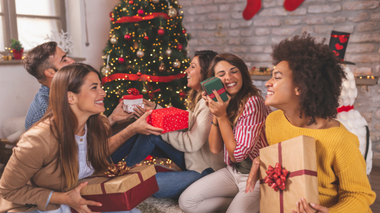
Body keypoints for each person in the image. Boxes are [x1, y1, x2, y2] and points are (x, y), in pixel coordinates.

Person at [245, 33, 376, 213]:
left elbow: (360, 196)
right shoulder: (273, 121)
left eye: (276, 77)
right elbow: (286, 162)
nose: (268, 83)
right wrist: (262, 163)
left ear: (300, 86)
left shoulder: (340, 140)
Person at [0, 63, 152, 213]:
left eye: (100, 86)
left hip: (81, 198)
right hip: (46, 206)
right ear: (70, 97)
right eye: (94, 87)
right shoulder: (37, 140)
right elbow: (8, 191)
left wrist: (113, 119)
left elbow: (100, 138)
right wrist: (63, 198)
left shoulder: (94, 123)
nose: (103, 93)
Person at [110, 50, 226, 199]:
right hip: (192, 159)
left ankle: (118, 169)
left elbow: (191, 144)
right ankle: (118, 168)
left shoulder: (210, 102)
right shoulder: (201, 98)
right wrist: (156, 108)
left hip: (205, 170)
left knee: (145, 185)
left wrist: (156, 123)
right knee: (148, 133)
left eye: (192, 66)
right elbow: (187, 120)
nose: (187, 70)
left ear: (205, 72)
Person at [179, 53, 271, 213]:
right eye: (221, 74)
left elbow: (238, 155)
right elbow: (215, 148)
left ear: (242, 74)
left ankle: (257, 203)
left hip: (257, 177)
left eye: (234, 71)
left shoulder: (253, 103)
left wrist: (221, 116)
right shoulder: (225, 103)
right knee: (187, 202)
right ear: (213, 81)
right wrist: (216, 111)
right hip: (233, 172)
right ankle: (241, 203)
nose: (228, 77)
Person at [24, 41, 129, 130]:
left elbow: (85, 139)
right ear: (50, 73)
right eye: (64, 60)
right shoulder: (44, 111)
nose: (72, 61)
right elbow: (75, 149)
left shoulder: (68, 90)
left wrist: (112, 119)